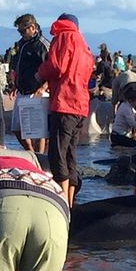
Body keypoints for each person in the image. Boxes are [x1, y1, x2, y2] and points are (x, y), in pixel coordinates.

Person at [36, 13, 93, 206]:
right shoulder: (83, 44)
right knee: (70, 154)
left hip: (65, 101)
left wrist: (40, 74)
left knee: (57, 154)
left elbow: (57, 66)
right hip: (81, 105)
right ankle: (69, 204)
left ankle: (60, 203)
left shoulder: (63, 37)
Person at [10, 14, 50, 155]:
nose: (21, 34)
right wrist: (15, 84)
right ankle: (30, 152)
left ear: (32, 28)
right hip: (22, 89)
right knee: (17, 128)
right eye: (19, 31)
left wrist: (43, 87)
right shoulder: (21, 43)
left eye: (23, 31)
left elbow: (52, 67)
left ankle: (39, 157)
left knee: (37, 130)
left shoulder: (42, 45)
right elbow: (19, 65)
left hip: (36, 90)